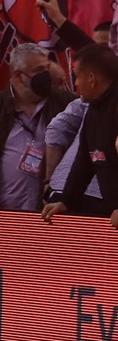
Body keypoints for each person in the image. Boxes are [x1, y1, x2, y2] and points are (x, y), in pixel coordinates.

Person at [0, 44, 68, 210]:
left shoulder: (65, 105)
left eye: (47, 68)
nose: (46, 75)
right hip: (1, 214)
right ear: (18, 75)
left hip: (48, 213)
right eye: (39, 70)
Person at [44, 45, 118, 226]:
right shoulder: (94, 109)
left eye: (77, 77)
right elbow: (84, 161)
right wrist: (66, 201)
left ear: (91, 78)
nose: (75, 84)